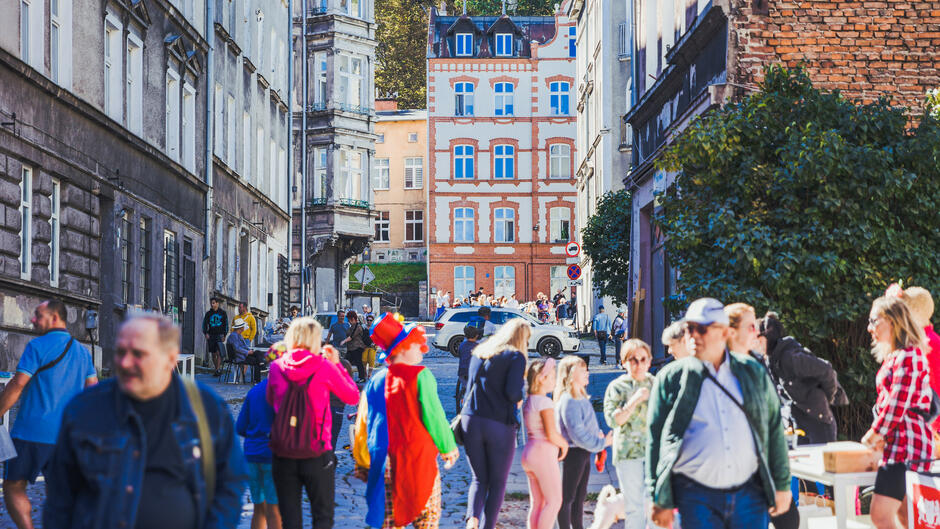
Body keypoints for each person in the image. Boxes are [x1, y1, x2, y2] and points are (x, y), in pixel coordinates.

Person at [44, 315, 246, 528]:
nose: (125, 362)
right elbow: (60, 497)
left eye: (138, 354)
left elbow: (230, 483)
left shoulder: (205, 409)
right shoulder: (84, 409)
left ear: (170, 359)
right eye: (121, 352)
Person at [647, 298, 791, 529]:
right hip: (695, 496)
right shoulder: (671, 378)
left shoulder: (751, 371)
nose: (693, 335)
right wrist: (658, 497)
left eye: (702, 329)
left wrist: (782, 485)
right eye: (689, 328)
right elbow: (655, 438)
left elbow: (773, 428)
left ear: (724, 332)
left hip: (749, 494)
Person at [352, 313, 460, 529]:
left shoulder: (375, 380)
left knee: (389, 521)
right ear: (402, 349)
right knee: (427, 518)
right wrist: (448, 447)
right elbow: (434, 416)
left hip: (385, 464)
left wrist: (362, 459)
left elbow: (364, 423)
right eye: (416, 345)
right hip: (417, 463)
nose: (422, 349)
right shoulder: (421, 376)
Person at [0, 300, 98, 529]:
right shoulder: (82, 352)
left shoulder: (37, 346)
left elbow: (17, 384)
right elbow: (92, 393)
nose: (33, 319)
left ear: (54, 318)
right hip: (66, 436)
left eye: (38, 315)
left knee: (13, 486)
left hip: (31, 432)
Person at [266, 317, 360, 529]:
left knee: (290, 518)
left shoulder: (277, 367)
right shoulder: (324, 366)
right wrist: (337, 365)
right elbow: (352, 396)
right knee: (322, 515)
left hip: (284, 451)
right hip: (317, 450)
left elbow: (272, 403)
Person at [726, 304, 801, 529]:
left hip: (762, 470)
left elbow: (772, 425)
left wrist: (781, 483)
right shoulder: (715, 369)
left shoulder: (756, 365)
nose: (756, 333)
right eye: (750, 327)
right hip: (732, 476)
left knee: (789, 521)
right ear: (730, 332)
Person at [862, 295, 933, 529]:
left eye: (874, 320)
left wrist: (874, 434)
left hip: (907, 448)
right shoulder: (898, 356)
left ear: (892, 321)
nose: (869, 327)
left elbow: (897, 403)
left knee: (880, 515)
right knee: (907, 518)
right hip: (899, 446)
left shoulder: (910, 355)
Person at [461, 319, 529, 529]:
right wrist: (519, 398)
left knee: (479, 479)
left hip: (471, 419)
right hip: (498, 422)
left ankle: (472, 518)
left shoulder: (480, 352)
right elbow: (511, 392)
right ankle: (487, 526)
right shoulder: (515, 356)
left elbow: (469, 386)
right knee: (498, 481)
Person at [756, 311, 846, 445]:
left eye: (755, 338)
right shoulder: (771, 361)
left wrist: (828, 397)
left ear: (764, 338)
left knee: (822, 465)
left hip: (819, 424)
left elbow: (827, 370)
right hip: (797, 424)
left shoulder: (791, 358)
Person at [555, 355, 612, 529]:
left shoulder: (580, 398)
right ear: (571, 375)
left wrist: (597, 434)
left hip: (582, 453)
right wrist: (601, 443)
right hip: (573, 454)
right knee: (567, 498)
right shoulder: (569, 400)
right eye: (583, 370)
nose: (588, 373)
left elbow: (584, 426)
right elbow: (577, 433)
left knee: (579, 498)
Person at [603, 339, 653, 529]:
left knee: (655, 507)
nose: (639, 364)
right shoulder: (617, 387)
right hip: (628, 453)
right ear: (624, 361)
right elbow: (614, 421)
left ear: (649, 361)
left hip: (652, 453)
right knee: (634, 508)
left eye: (643, 359)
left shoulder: (655, 383)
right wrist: (634, 401)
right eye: (633, 359)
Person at [237, 347, 283, 529]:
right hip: (273, 457)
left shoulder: (255, 391)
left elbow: (240, 427)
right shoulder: (285, 391)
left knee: (259, 509)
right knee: (274, 510)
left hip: (252, 455)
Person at [521, 358, 568, 529]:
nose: (555, 380)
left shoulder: (530, 401)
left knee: (538, 503)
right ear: (541, 379)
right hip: (544, 453)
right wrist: (564, 444)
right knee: (554, 501)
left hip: (529, 453)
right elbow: (551, 433)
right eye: (552, 377)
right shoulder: (545, 402)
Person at [896, 285, 940, 434]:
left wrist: (933, 427)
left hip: (930, 426)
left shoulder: (928, 345)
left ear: (916, 312)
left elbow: (933, 387)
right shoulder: (923, 342)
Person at [455, 324, 481, 409]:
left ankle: (463, 399)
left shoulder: (462, 345)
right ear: (477, 335)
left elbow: (459, 354)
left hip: (462, 372)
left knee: (465, 385)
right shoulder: (478, 346)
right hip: (474, 373)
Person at [227, 318, 260, 382]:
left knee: (257, 353)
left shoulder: (239, 335)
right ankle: (257, 378)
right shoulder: (234, 336)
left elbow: (244, 346)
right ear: (241, 328)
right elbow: (237, 348)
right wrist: (247, 352)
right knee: (256, 360)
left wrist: (250, 350)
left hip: (242, 354)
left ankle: (261, 367)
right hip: (239, 356)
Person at [203, 297, 229, 376]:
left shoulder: (222, 313)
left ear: (217, 303)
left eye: (214, 303)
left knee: (219, 353)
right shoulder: (208, 314)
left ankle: (217, 370)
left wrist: (224, 334)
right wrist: (206, 333)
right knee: (213, 354)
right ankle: (216, 368)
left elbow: (226, 325)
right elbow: (204, 324)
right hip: (211, 335)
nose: (212, 304)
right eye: (211, 303)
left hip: (220, 335)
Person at [343, 310, 369, 382]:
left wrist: (343, 341)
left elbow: (351, 336)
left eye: (349, 319)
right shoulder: (352, 326)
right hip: (351, 348)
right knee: (347, 362)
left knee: (358, 362)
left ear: (353, 319)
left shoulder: (358, 327)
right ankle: (346, 377)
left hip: (357, 348)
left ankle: (362, 377)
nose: (348, 321)